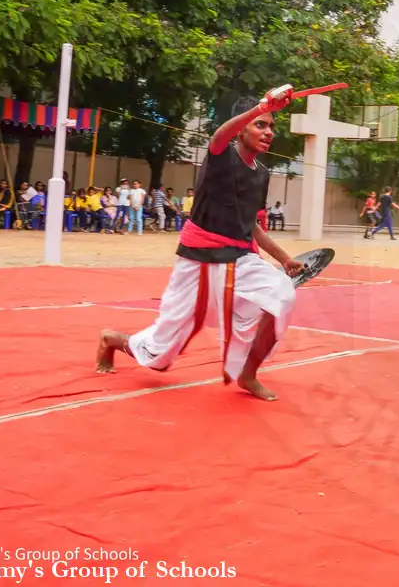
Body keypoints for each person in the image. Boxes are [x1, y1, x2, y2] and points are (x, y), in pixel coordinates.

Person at [95, 86, 305, 401]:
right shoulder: (221, 155)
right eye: (261, 124)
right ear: (242, 129)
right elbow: (218, 137)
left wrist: (284, 258)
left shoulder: (261, 174)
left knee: (282, 295)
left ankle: (248, 374)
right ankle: (112, 339)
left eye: (271, 125)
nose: (268, 131)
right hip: (197, 258)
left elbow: (250, 226)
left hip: (237, 257)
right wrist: (261, 106)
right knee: (159, 357)